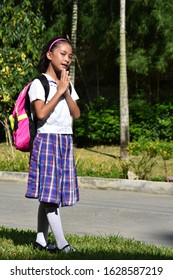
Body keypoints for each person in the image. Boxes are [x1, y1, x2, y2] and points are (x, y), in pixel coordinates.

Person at [25, 37, 80, 254]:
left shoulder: (67, 84)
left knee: (50, 194)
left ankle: (40, 240)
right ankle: (62, 244)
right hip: (47, 140)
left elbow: (76, 113)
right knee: (50, 197)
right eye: (62, 54)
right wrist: (58, 91)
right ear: (50, 55)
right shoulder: (38, 84)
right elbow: (40, 113)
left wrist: (65, 89)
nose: (67, 59)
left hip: (64, 139)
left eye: (70, 55)